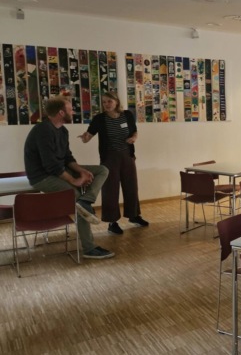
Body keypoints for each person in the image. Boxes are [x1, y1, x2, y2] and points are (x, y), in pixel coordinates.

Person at [23, 96, 114, 259]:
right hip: (42, 177)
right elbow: (51, 166)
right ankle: (89, 248)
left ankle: (87, 200)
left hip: (59, 170)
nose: (73, 112)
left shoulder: (63, 131)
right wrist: (73, 180)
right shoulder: (43, 130)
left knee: (102, 170)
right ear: (61, 112)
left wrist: (82, 171)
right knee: (76, 196)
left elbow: (67, 158)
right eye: (71, 109)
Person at [79, 91, 149, 235]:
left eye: (109, 101)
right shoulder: (99, 119)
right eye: (104, 102)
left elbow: (134, 132)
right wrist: (85, 138)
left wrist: (133, 138)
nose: (107, 104)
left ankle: (134, 216)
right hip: (109, 158)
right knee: (110, 190)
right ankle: (112, 222)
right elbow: (89, 136)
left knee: (131, 186)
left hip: (127, 156)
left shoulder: (127, 115)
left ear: (116, 101)